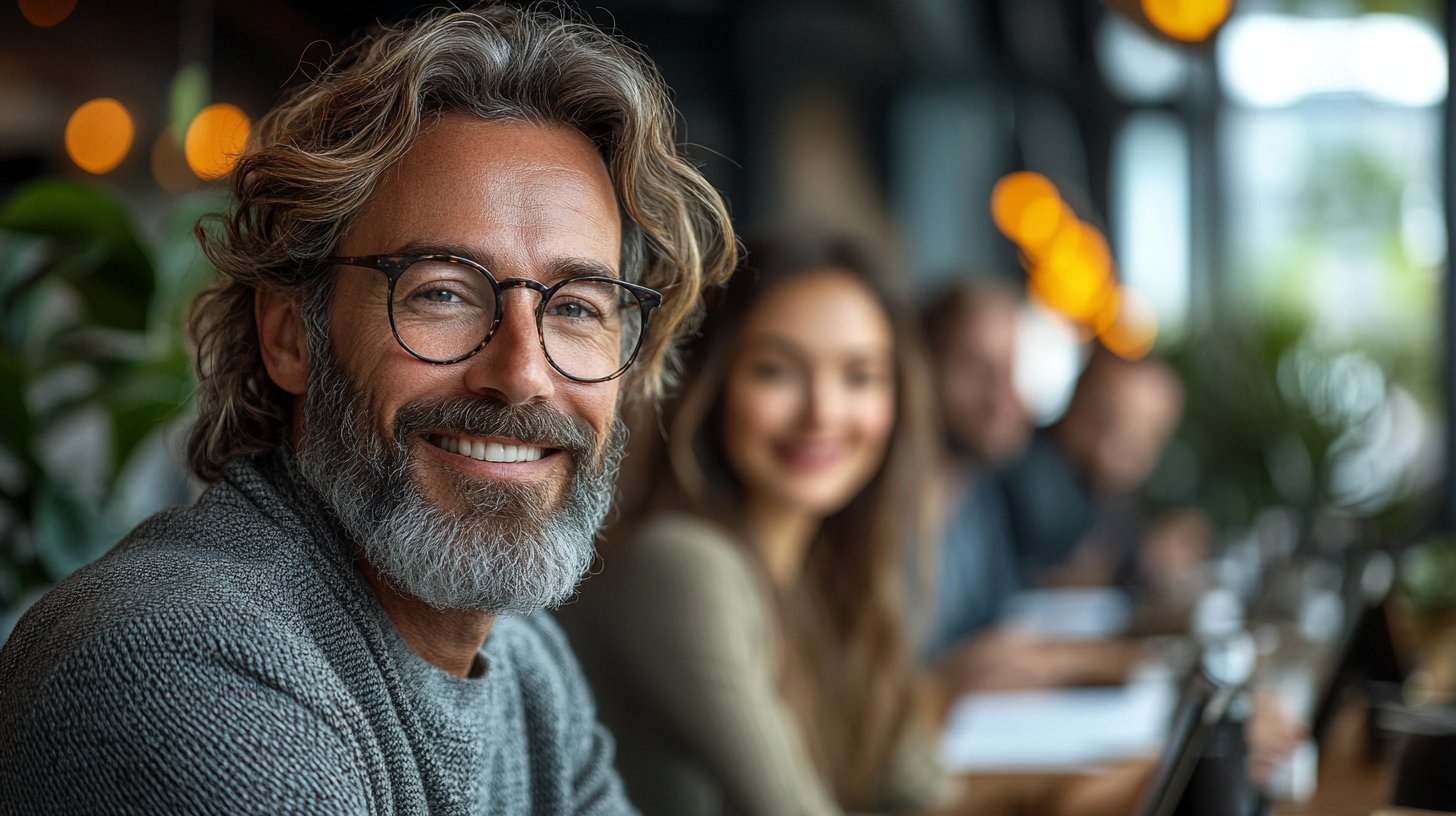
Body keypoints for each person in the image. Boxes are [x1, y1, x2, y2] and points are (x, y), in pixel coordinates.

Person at [0, 7, 736, 814]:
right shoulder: (174, 657)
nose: (521, 374)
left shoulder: (526, 669)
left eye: (576, 308)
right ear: (291, 337)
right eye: (443, 293)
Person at [559, 233, 951, 815]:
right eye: (776, 371)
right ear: (710, 388)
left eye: (861, 376)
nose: (824, 412)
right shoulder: (681, 565)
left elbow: (921, 790)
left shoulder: (833, 573)